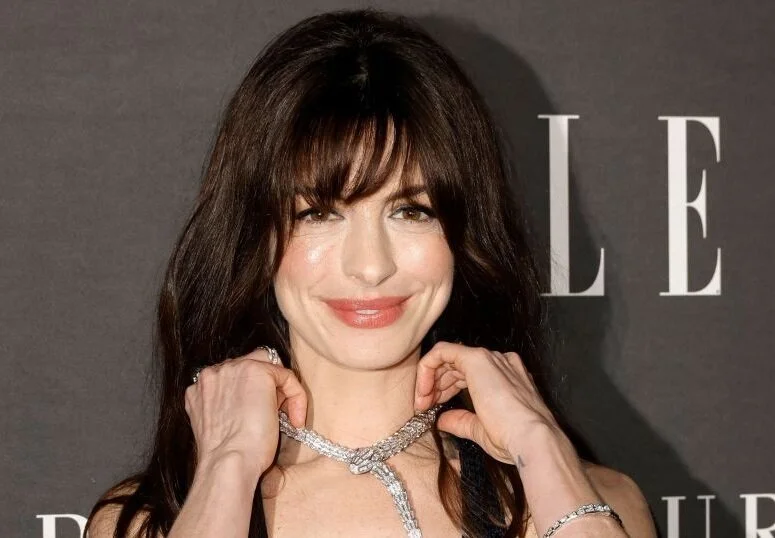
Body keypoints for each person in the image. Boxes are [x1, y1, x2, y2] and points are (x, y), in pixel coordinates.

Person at [86, 8, 657, 538]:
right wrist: (228, 465)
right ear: (255, 235)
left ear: (463, 235)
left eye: (411, 211)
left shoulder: (586, 504)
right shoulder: (146, 522)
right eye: (318, 213)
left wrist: (540, 446)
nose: (370, 266)